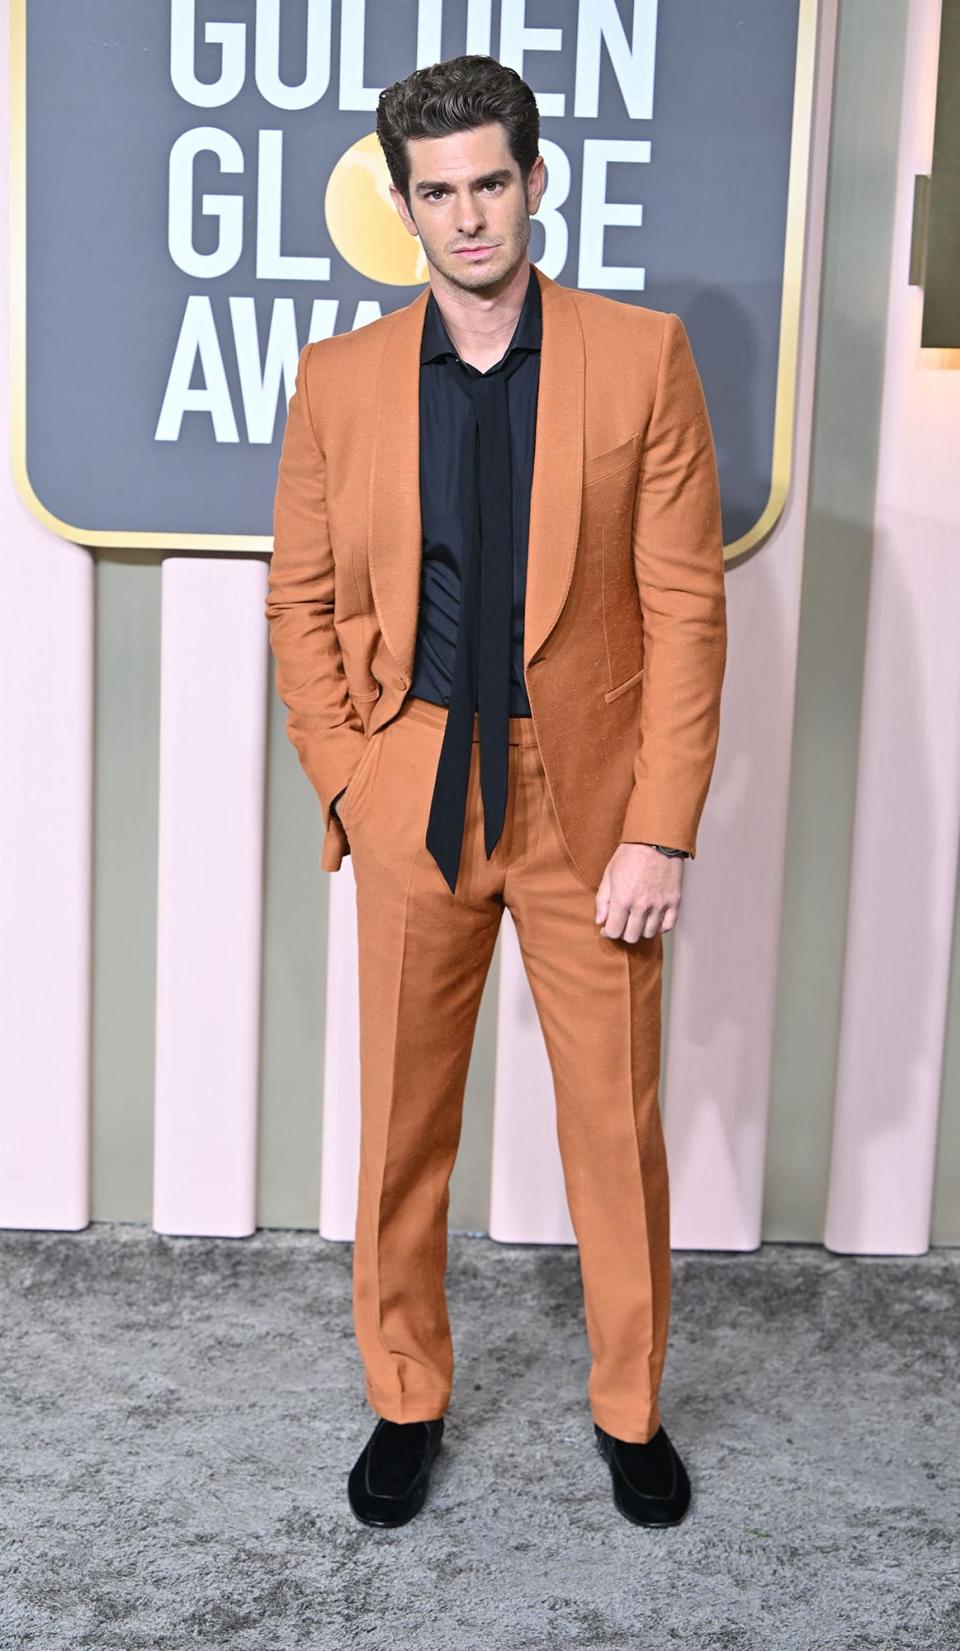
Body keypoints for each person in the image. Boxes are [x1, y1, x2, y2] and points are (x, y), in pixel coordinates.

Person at [267, 53, 727, 1531]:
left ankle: (631, 1409)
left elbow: (685, 611)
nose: (469, 214)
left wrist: (660, 823)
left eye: (491, 181)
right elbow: (300, 599)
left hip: (584, 800)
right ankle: (405, 1394)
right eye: (438, 191)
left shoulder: (641, 358)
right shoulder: (338, 380)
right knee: (403, 1124)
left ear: (537, 182)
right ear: (404, 207)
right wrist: (350, 773)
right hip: (412, 788)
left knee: (616, 1123)